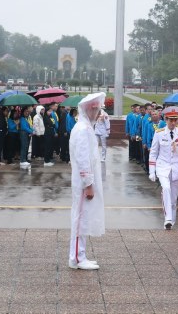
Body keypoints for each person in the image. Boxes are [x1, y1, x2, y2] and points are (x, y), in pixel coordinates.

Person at [68, 92, 106, 270]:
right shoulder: (83, 130)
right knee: (80, 219)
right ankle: (76, 257)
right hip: (83, 182)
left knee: (83, 218)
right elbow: (83, 159)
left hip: (84, 181)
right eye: (96, 109)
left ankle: (80, 254)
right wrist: (88, 184)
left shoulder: (85, 127)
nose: (98, 113)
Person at [148, 105, 178, 230]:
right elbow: (153, 152)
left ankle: (172, 220)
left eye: (175, 120)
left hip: (177, 168)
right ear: (166, 120)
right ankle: (167, 218)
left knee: (173, 198)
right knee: (166, 188)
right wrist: (152, 171)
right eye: (170, 120)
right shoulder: (159, 133)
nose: (173, 122)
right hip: (163, 167)